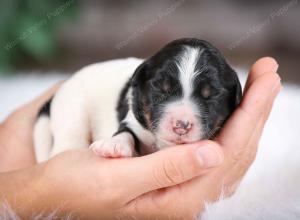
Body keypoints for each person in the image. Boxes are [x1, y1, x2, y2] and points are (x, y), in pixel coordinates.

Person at [0, 57, 281, 219]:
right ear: (141, 91)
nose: (183, 122)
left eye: (209, 98)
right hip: (79, 92)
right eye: (164, 93)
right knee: (69, 145)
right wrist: (44, 189)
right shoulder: (132, 102)